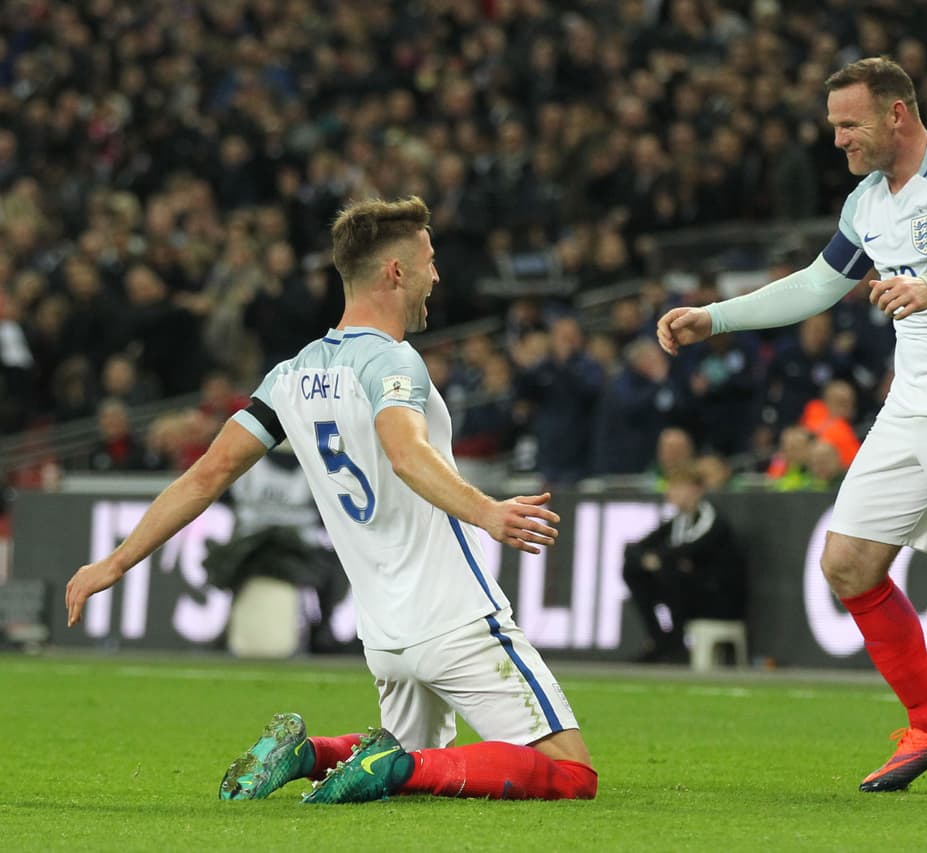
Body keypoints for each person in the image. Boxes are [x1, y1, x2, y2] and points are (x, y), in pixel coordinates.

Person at [66, 196, 596, 805]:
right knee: (570, 774)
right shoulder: (393, 361)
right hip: (453, 614)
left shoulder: (290, 374)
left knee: (417, 760)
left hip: (385, 633)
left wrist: (115, 562)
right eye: (428, 261)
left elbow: (205, 476)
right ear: (395, 271)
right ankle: (390, 767)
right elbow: (405, 452)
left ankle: (310, 753)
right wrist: (489, 512)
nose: (436, 276)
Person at [657, 58, 927, 798]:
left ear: (896, 114)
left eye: (850, 124)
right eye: (835, 125)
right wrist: (716, 316)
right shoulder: (867, 200)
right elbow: (819, 283)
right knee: (846, 563)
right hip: (912, 401)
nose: (839, 139)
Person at [621, 464, 747, 663]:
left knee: (667, 571)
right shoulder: (678, 521)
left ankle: (676, 642)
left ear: (696, 490)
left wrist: (661, 559)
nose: (670, 492)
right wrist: (651, 559)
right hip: (690, 590)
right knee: (633, 570)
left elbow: (690, 549)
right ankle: (659, 638)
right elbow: (634, 549)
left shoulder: (711, 520)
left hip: (717, 598)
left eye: (676, 487)